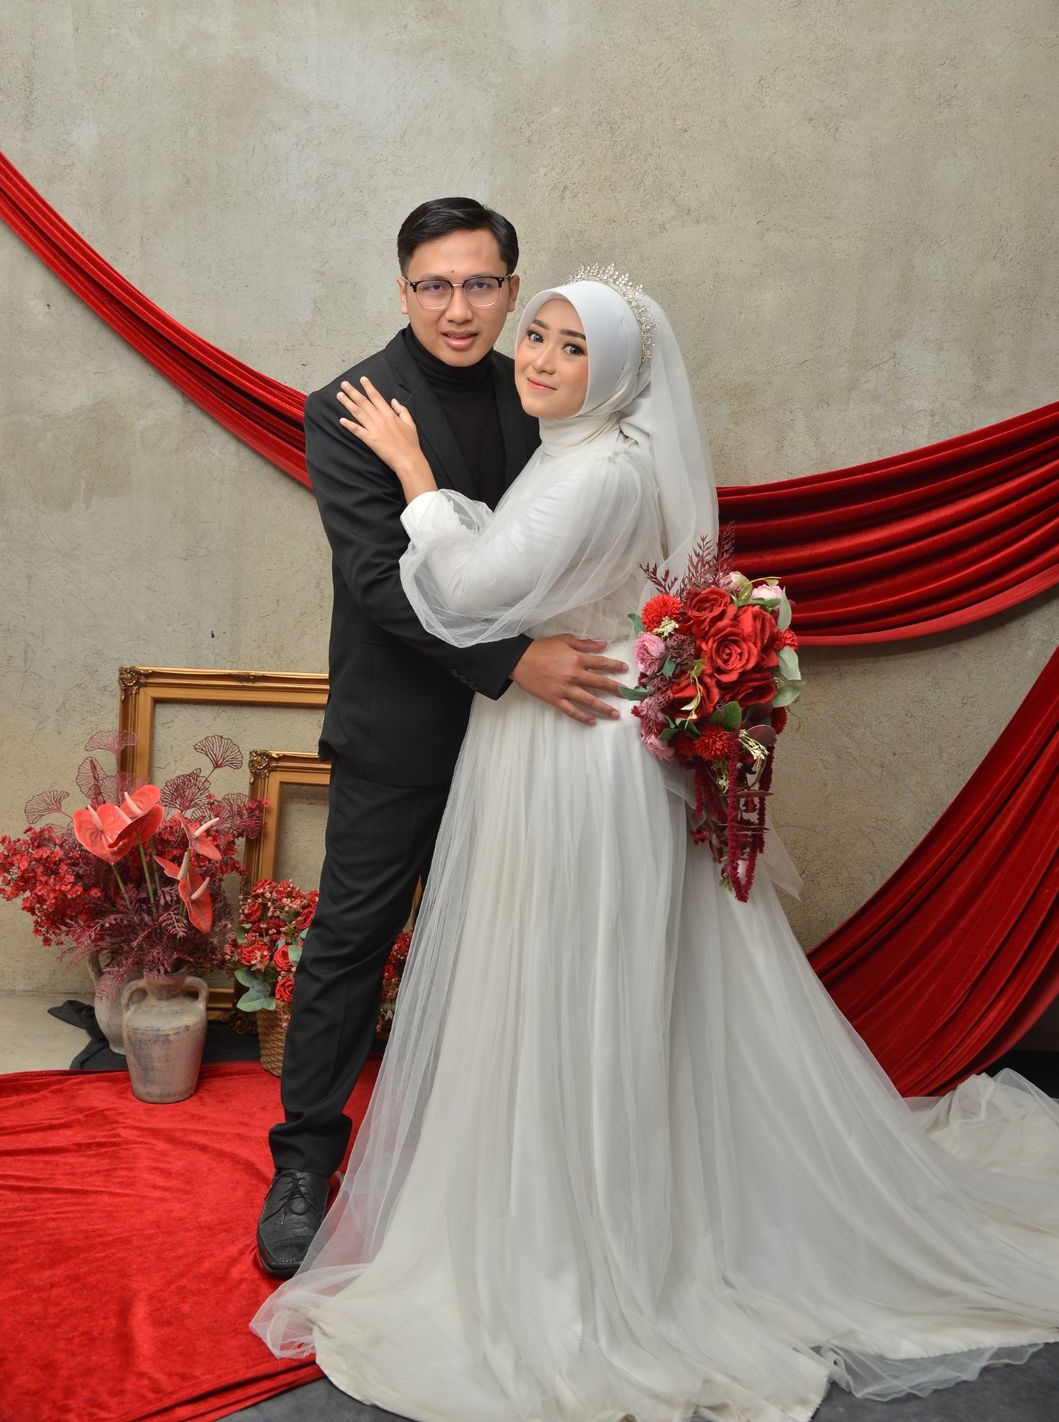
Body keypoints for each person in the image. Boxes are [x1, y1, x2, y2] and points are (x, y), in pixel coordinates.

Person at [254, 273, 1059, 1421]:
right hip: (568, 730)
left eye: (569, 346)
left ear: (621, 372)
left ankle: (578, 1234)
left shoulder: (599, 469)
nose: (538, 358)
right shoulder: (591, 451)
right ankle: (564, 1193)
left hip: (574, 752)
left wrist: (419, 479)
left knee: (569, 981)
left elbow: (473, 587)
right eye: (537, 335)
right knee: (579, 981)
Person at [257, 205, 630, 1278]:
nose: (457, 309)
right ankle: (304, 1163)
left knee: (505, 944)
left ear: (512, 288)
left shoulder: (544, 386)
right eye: (434, 285)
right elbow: (381, 583)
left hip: (531, 741)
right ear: (403, 289)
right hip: (405, 725)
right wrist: (512, 662)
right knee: (351, 941)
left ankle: (483, 1158)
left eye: (480, 284)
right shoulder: (349, 405)